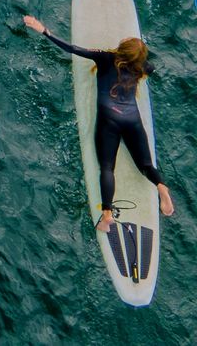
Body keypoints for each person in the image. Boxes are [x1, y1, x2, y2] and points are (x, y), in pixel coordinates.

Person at [22, 14, 176, 232]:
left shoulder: (105, 58)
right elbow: (154, 69)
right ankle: (161, 188)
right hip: (132, 119)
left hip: (109, 119)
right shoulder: (143, 67)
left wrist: (43, 29)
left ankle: (106, 216)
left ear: (122, 50)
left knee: (107, 167)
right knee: (146, 165)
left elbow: (72, 49)